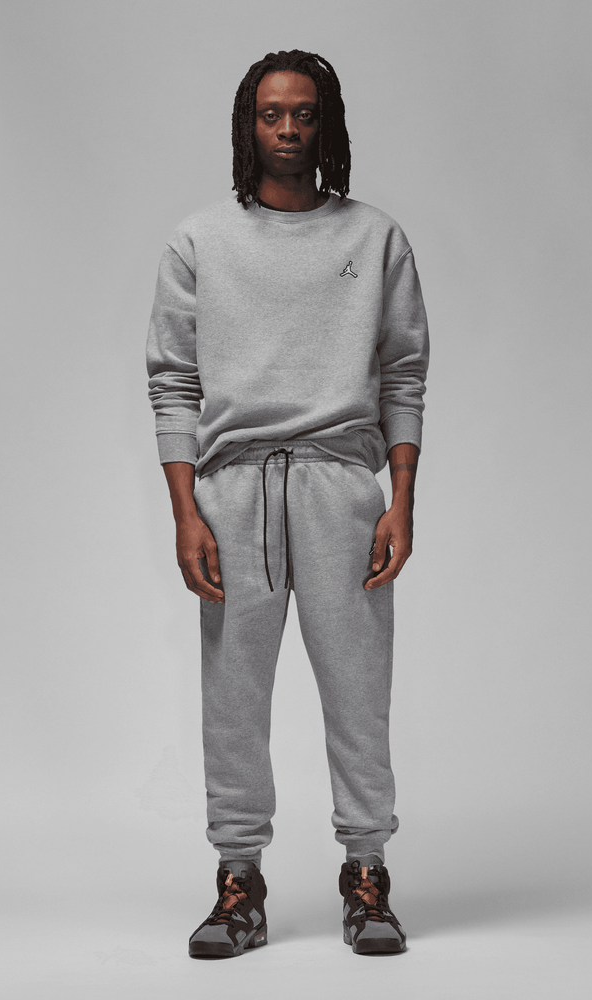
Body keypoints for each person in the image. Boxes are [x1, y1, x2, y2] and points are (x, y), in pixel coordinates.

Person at [146, 49, 429, 958]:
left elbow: (404, 376)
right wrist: (186, 513)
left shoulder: (374, 238)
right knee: (233, 695)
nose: (288, 129)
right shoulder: (200, 241)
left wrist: (401, 502)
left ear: (327, 123)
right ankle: (239, 881)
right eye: (271, 114)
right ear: (247, 124)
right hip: (233, 491)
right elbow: (173, 383)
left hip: (342, 486)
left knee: (359, 689)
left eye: (304, 113)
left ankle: (367, 873)